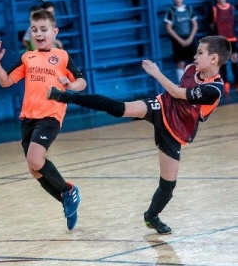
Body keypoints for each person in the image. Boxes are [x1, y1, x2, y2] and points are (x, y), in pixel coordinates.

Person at [47, 35, 231, 234]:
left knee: (168, 186)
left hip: (177, 131)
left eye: (200, 52)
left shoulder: (214, 89)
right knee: (119, 108)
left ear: (213, 59)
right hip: (161, 106)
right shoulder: (190, 69)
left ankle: (151, 216)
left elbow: (179, 93)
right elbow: (174, 97)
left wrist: (156, 73)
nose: (195, 56)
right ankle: (65, 96)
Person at [0, 9, 87, 230]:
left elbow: (82, 82)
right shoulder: (27, 58)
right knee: (35, 169)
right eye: (34, 29)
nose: (39, 34)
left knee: (35, 159)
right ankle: (65, 198)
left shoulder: (62, 56)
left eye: (44, 29)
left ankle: (69, 191)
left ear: (54, 31)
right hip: (28, 118)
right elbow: (5, 81)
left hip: (51, 115)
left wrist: (70, 85)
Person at [164, 0, 198, 83]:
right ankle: (182, 85)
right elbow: (169, 27)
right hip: (178, 39)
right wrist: (180, 40)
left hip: (189, 38)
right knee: (180, 63)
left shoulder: (189, 9)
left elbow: (195, 24)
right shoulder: (171, 11)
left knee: (193, 62)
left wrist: (190, 38)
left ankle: (193, 83)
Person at [209, 0, 238, 93]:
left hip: (232, 38)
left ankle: (236, 81)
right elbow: (212, 25)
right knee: (223, 62)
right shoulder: (214, 9)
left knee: (234, 60)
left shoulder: (231, 7)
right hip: (221, 40)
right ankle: (225, 83)